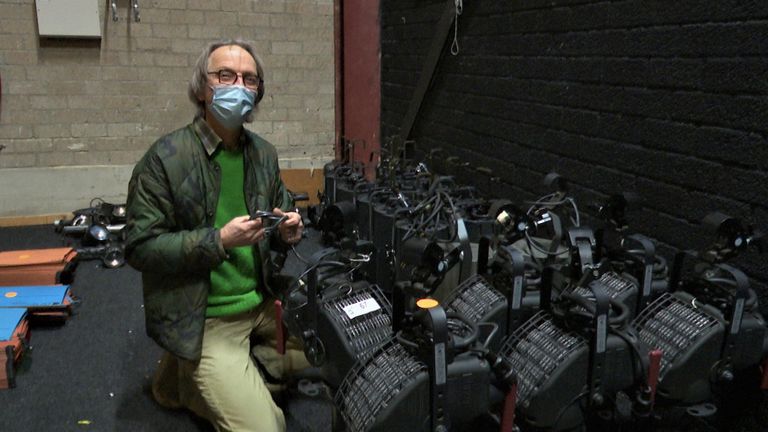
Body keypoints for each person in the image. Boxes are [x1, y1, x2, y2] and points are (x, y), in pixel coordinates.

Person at [124, 39, 308, 432]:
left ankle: (201, 370)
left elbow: (278, 215)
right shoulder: (165, 159)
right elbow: (139, 248)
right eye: (225, 75)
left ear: (258, 92)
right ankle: (190, 377)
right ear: (202, 88)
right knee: (268, 426)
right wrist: (219, 240)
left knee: (337, 351)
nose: (237, 86)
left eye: (249, 79)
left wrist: (288, 229)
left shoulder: (264, 154)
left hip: (261, 299)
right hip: (206, 315)